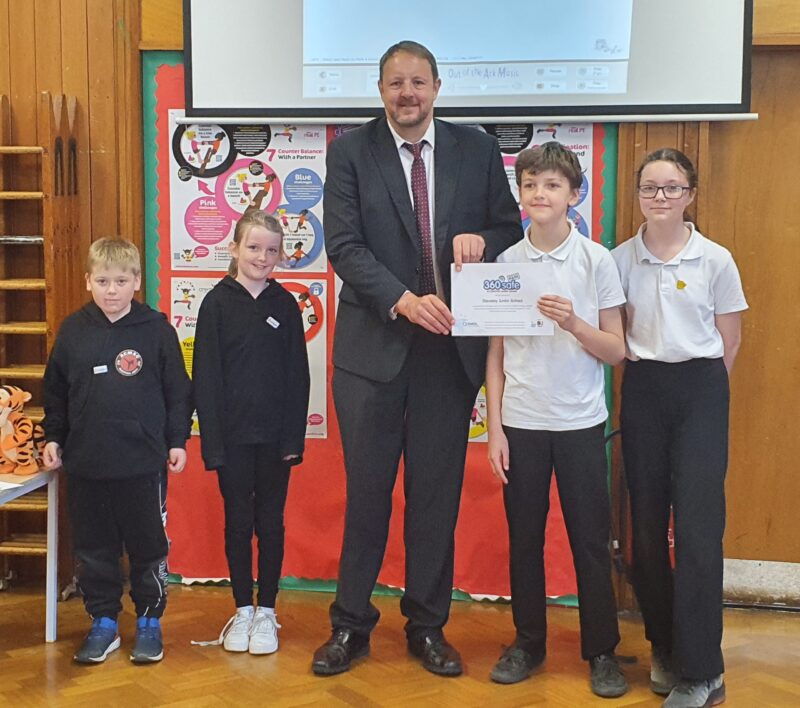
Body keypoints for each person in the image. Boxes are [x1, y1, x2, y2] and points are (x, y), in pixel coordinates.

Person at [311, 40, 522, 677]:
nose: (408, 93)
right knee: (368, 496)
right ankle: (350, 625)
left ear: (437, 87)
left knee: (437, 499)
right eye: (396, 83)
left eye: (419, 82)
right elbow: (344, 247)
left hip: (447, 357)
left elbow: (509, 228)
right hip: (371, 355)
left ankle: (427, 626)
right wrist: (403, 300)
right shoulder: (350, 152)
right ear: (381, 90)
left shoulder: (477, 149)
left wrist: (481, 238)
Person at [484, 142, 628, 697]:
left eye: (550, 185)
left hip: (580, 423)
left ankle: (602, 651)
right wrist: (495, 428)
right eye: (530, 185)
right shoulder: (505, 264)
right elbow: (496, 355)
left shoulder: (597, 262)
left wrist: (573, 323)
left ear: (574, 194)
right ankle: (527, 641)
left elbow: (616, 350)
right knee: (524, 537)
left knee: (590, 539)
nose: (539, 194)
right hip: (521, 422)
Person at [612, 149, 747, 708]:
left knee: (695, 532)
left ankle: (703, 671)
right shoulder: (620, 259)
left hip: (700, 393)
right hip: (643, 390)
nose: (660, 197)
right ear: (638, 195)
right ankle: (665, 645)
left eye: (671, 187)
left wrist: (702, 395)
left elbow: (730, 339)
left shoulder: (715, 259)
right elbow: (616, 335)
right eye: (650, 188)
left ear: (690, 193)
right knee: (644, 532)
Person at [42, 237, 192, 664]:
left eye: (121, 280)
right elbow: (55, 394)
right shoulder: (73, 330)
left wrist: (176, 441)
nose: (112, 290)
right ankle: (103, 622)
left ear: (137, 282)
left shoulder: (157, 329)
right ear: (88, 281)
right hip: (87, 463)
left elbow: (178, 392)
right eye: (103, 280)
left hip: (143, 464)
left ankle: (148, 620)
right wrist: (54, 437)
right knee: (93, 548)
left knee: (148, 546)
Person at [193, 210, 310, 656]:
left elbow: (298, 377)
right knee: (238, 522)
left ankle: (268, 612)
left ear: (281, 255)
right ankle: (243, 607)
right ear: (235, 249)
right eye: (254, 247)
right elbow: (206, 377)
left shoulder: (284, 304)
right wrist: (214, 443)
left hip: (275, 440)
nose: (263, 257)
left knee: (271, 523)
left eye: (271, 250)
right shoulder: (216, 303)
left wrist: (292, 441)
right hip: (233, 441)